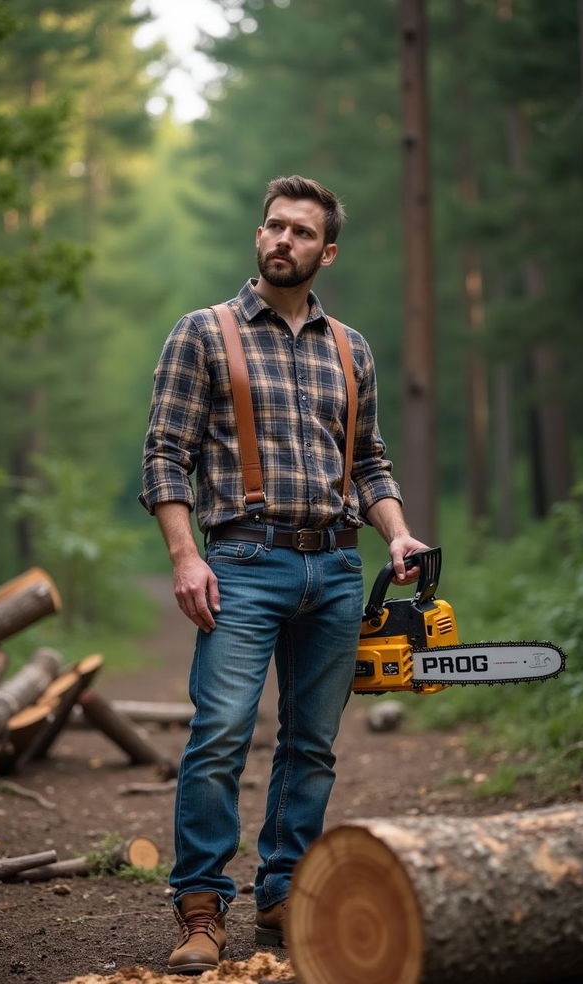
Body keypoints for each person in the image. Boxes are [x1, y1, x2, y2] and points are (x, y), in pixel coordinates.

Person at [139, 174, 428, 976]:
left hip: (336, 565)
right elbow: (165, 454)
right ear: (257, 236)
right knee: (220, 735)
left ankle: (282, 890)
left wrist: (399, 536)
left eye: (302, 233)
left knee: (314, 746)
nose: (283, 241)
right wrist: (184, 554)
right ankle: (201, 905)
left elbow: (369, 461)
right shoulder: (203, 334)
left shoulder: (351, 347)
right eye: (274, 227)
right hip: (240, 562)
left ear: (325, 251)